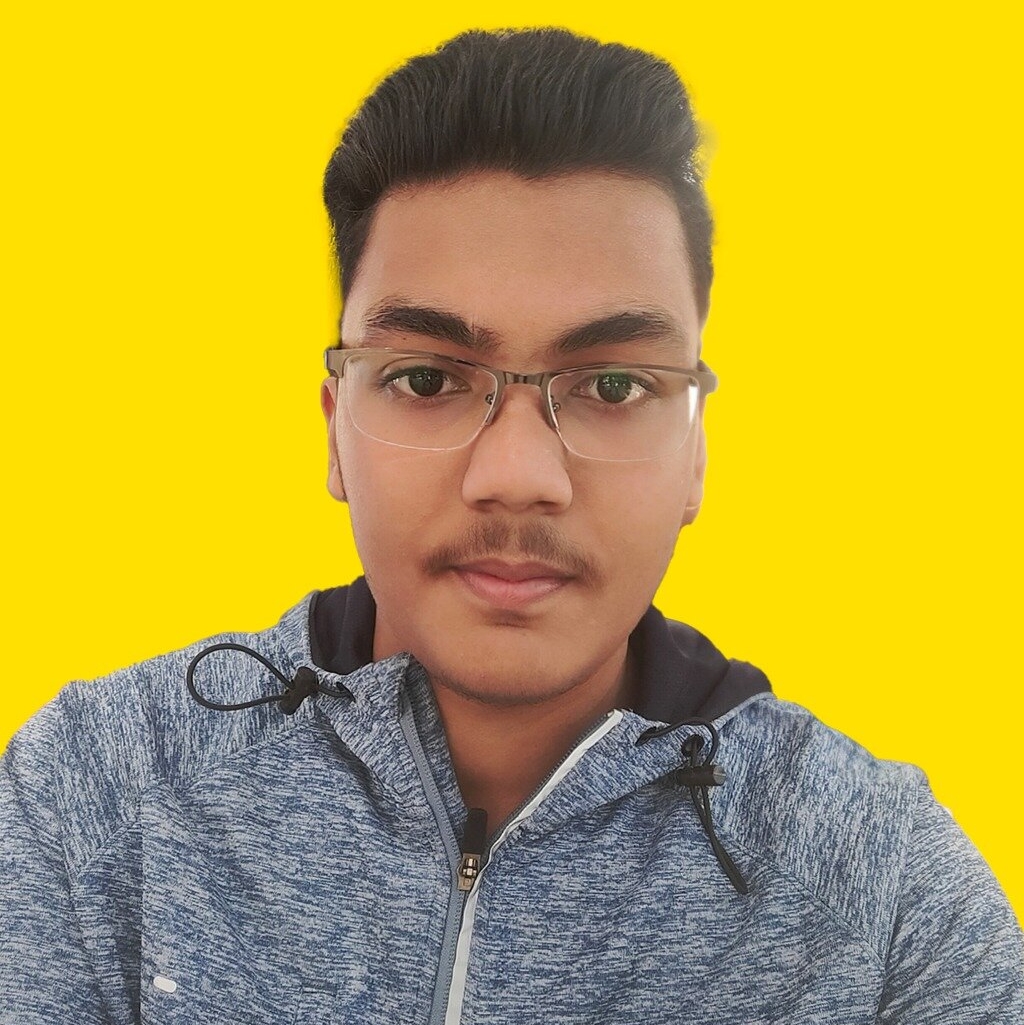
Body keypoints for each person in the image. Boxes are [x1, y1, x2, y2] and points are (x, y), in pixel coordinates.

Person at [1, 26, 1020, 1024]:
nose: (518, 476)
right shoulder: (95, 793)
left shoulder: (882, 887)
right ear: (336, 431)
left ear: (697, 453)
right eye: (426, 379)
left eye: (613, 385)